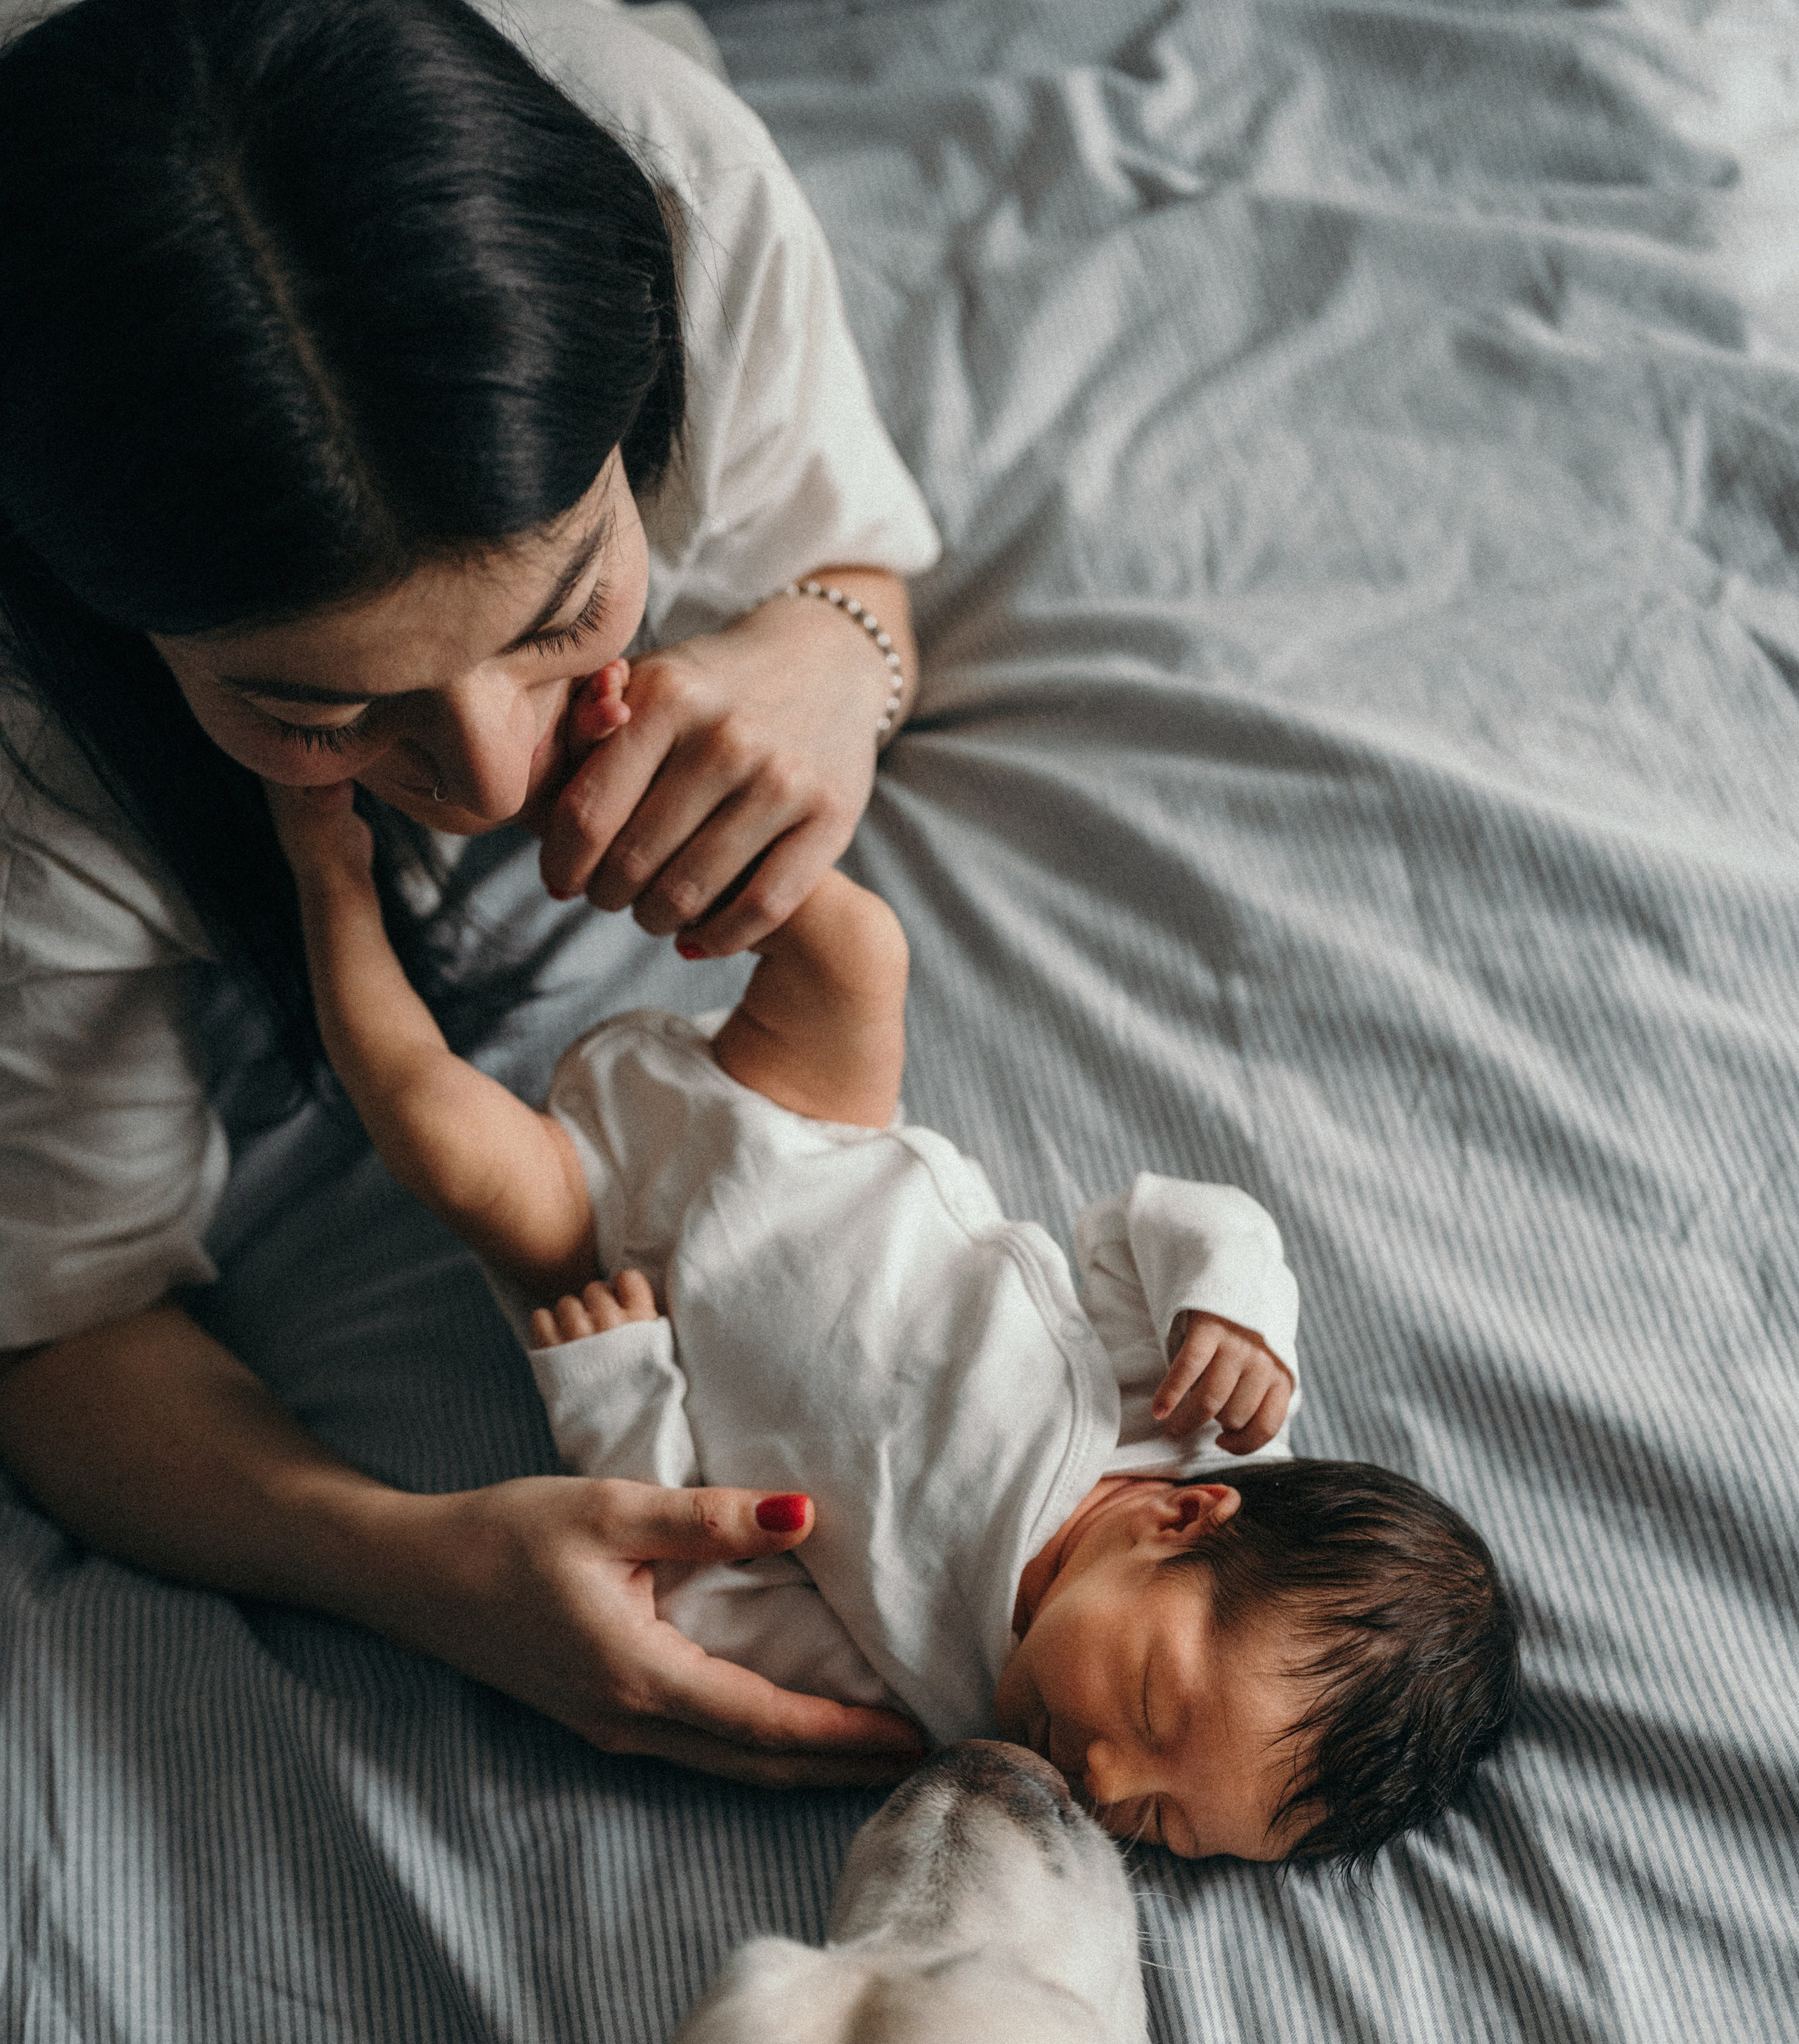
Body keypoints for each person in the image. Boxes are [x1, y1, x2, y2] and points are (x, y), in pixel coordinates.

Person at [0, 0, 944, 1782]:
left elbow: (853, 556)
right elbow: (56, 1316)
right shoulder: (24, 756)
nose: (498, 786)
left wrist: (831, 651)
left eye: (566, 608)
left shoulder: (658, 184)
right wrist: (408, 1564)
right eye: (314, 709)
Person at [285, 769, 1521, 1863]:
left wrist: (618, 1387)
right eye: (1152, 1710)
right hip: (809, 1123)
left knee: (438, 1140)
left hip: (619, 1250)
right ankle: (584, 758)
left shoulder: (941, 1694)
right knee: (856, 947)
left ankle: (325, 875)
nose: (1101, 1781)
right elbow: (1138, 1224)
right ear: (1185, 1522)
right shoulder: (1186, 1417)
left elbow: (710, 1602)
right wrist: (1238, 1312)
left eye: (1155, 1828)